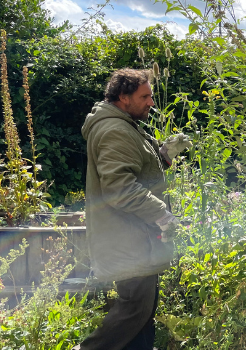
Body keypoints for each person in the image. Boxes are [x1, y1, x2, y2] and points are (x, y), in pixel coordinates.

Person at [75, 68, 192, 350]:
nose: (151, 102)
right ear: (124, 97)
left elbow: (135, 170)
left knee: (143, 315)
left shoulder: (125, 125)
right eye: (145, 96)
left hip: (136, 236)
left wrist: (162, 155)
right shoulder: (115, 130)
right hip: (127, 239)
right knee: (134, 311)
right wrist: (162, 214)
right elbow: (120, 188)